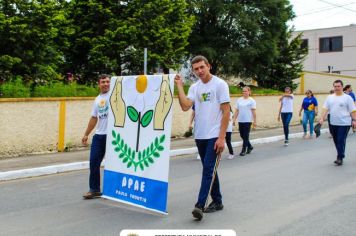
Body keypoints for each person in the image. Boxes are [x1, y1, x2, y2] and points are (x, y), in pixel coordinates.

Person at [174, 55, 230, 221]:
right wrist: (179, 86)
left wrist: (222, 138)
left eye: (202, 67)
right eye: (196, 68)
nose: (199, 71)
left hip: (214, 135)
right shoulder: (195, 87)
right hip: (200, 135)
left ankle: (199, 205)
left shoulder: (220, 84)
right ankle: (218, 201)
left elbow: (226, 111)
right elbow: (185, 106)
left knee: (207, 169)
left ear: (209, 66)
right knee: (210, 168)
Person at [82, 74, 111, 199]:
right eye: (103, 82)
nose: (105, 84)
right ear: (99, 84)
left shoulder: (115, 95)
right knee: (94, 162)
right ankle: (94, 189)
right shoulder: (97, 99)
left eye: (107, 81)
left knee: (114, 163)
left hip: (113, 136)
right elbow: (94, 117)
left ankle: (114, 189)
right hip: (99, 136)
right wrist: (86, 134)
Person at [319, 80, 356, 166]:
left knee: (340, 140)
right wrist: (322, 118)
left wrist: (354, 120)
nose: (336, 88)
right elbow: (325, 109)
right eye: (335, 86)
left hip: (344, 123)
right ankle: (340, 154)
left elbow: (353, 110)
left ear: (342, 87)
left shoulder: (348, 98)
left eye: (338, 86)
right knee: (336, 140)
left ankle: (340, 157)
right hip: (333, 123)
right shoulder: (330, 97)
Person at [233, 86, 257, 156]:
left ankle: (243, 150)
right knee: (241, 134)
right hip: (241, 120)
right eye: (243, 91)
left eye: (245, 91)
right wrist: (234, 119)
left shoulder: (252, 100)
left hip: (248, 120)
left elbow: (254, 112)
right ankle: (250, 146)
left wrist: (255, 121)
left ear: (249, 92)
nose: (244, 92)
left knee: (246, 135)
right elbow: (237, 110)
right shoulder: (239, 100)